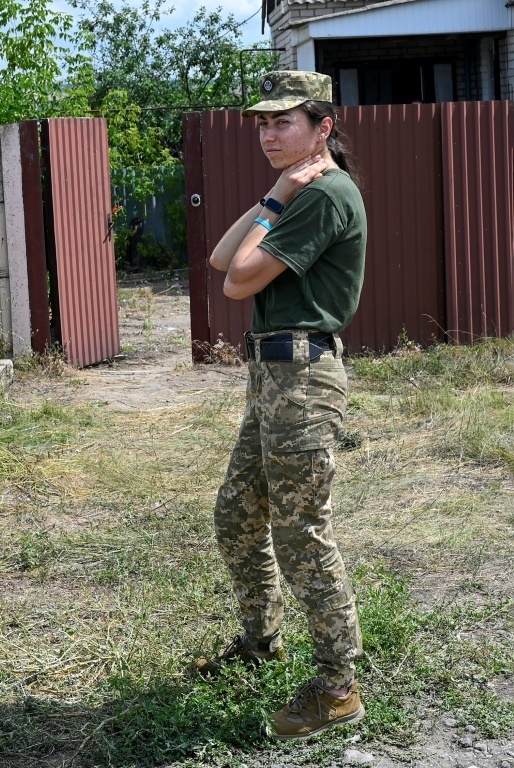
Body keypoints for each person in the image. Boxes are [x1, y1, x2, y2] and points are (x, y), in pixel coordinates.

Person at [196, 70, 367, 741]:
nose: (268, 134)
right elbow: (220, 257)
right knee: (237, 513)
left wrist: (282, 196)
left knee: (301, 532)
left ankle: (337, 688)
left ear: (323, 126)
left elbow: (239, 281)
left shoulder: (325, 195)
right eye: (263, 123)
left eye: (284, 122)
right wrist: (275, 194)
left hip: (303, 378)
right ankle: (261, 642)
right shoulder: (298, 192)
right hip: (273, 376)